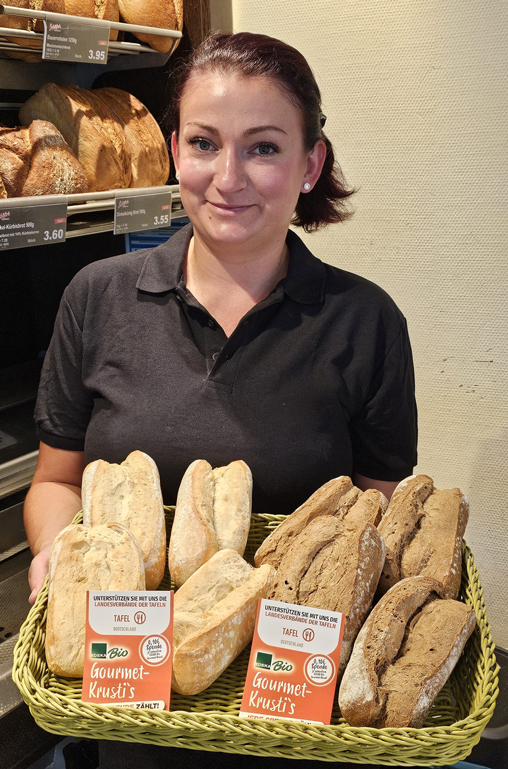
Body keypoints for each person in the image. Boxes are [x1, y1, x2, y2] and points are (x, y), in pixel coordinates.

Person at [24, 31, 417, 768]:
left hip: (297, 714)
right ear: (176, 151)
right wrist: (59, 551)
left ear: (310, 164)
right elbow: (55, 479)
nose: (227, 176)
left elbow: (378, 511)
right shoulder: (97, 298)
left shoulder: (365, 322)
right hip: (127, 705)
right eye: (205, 143)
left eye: (263, 148)